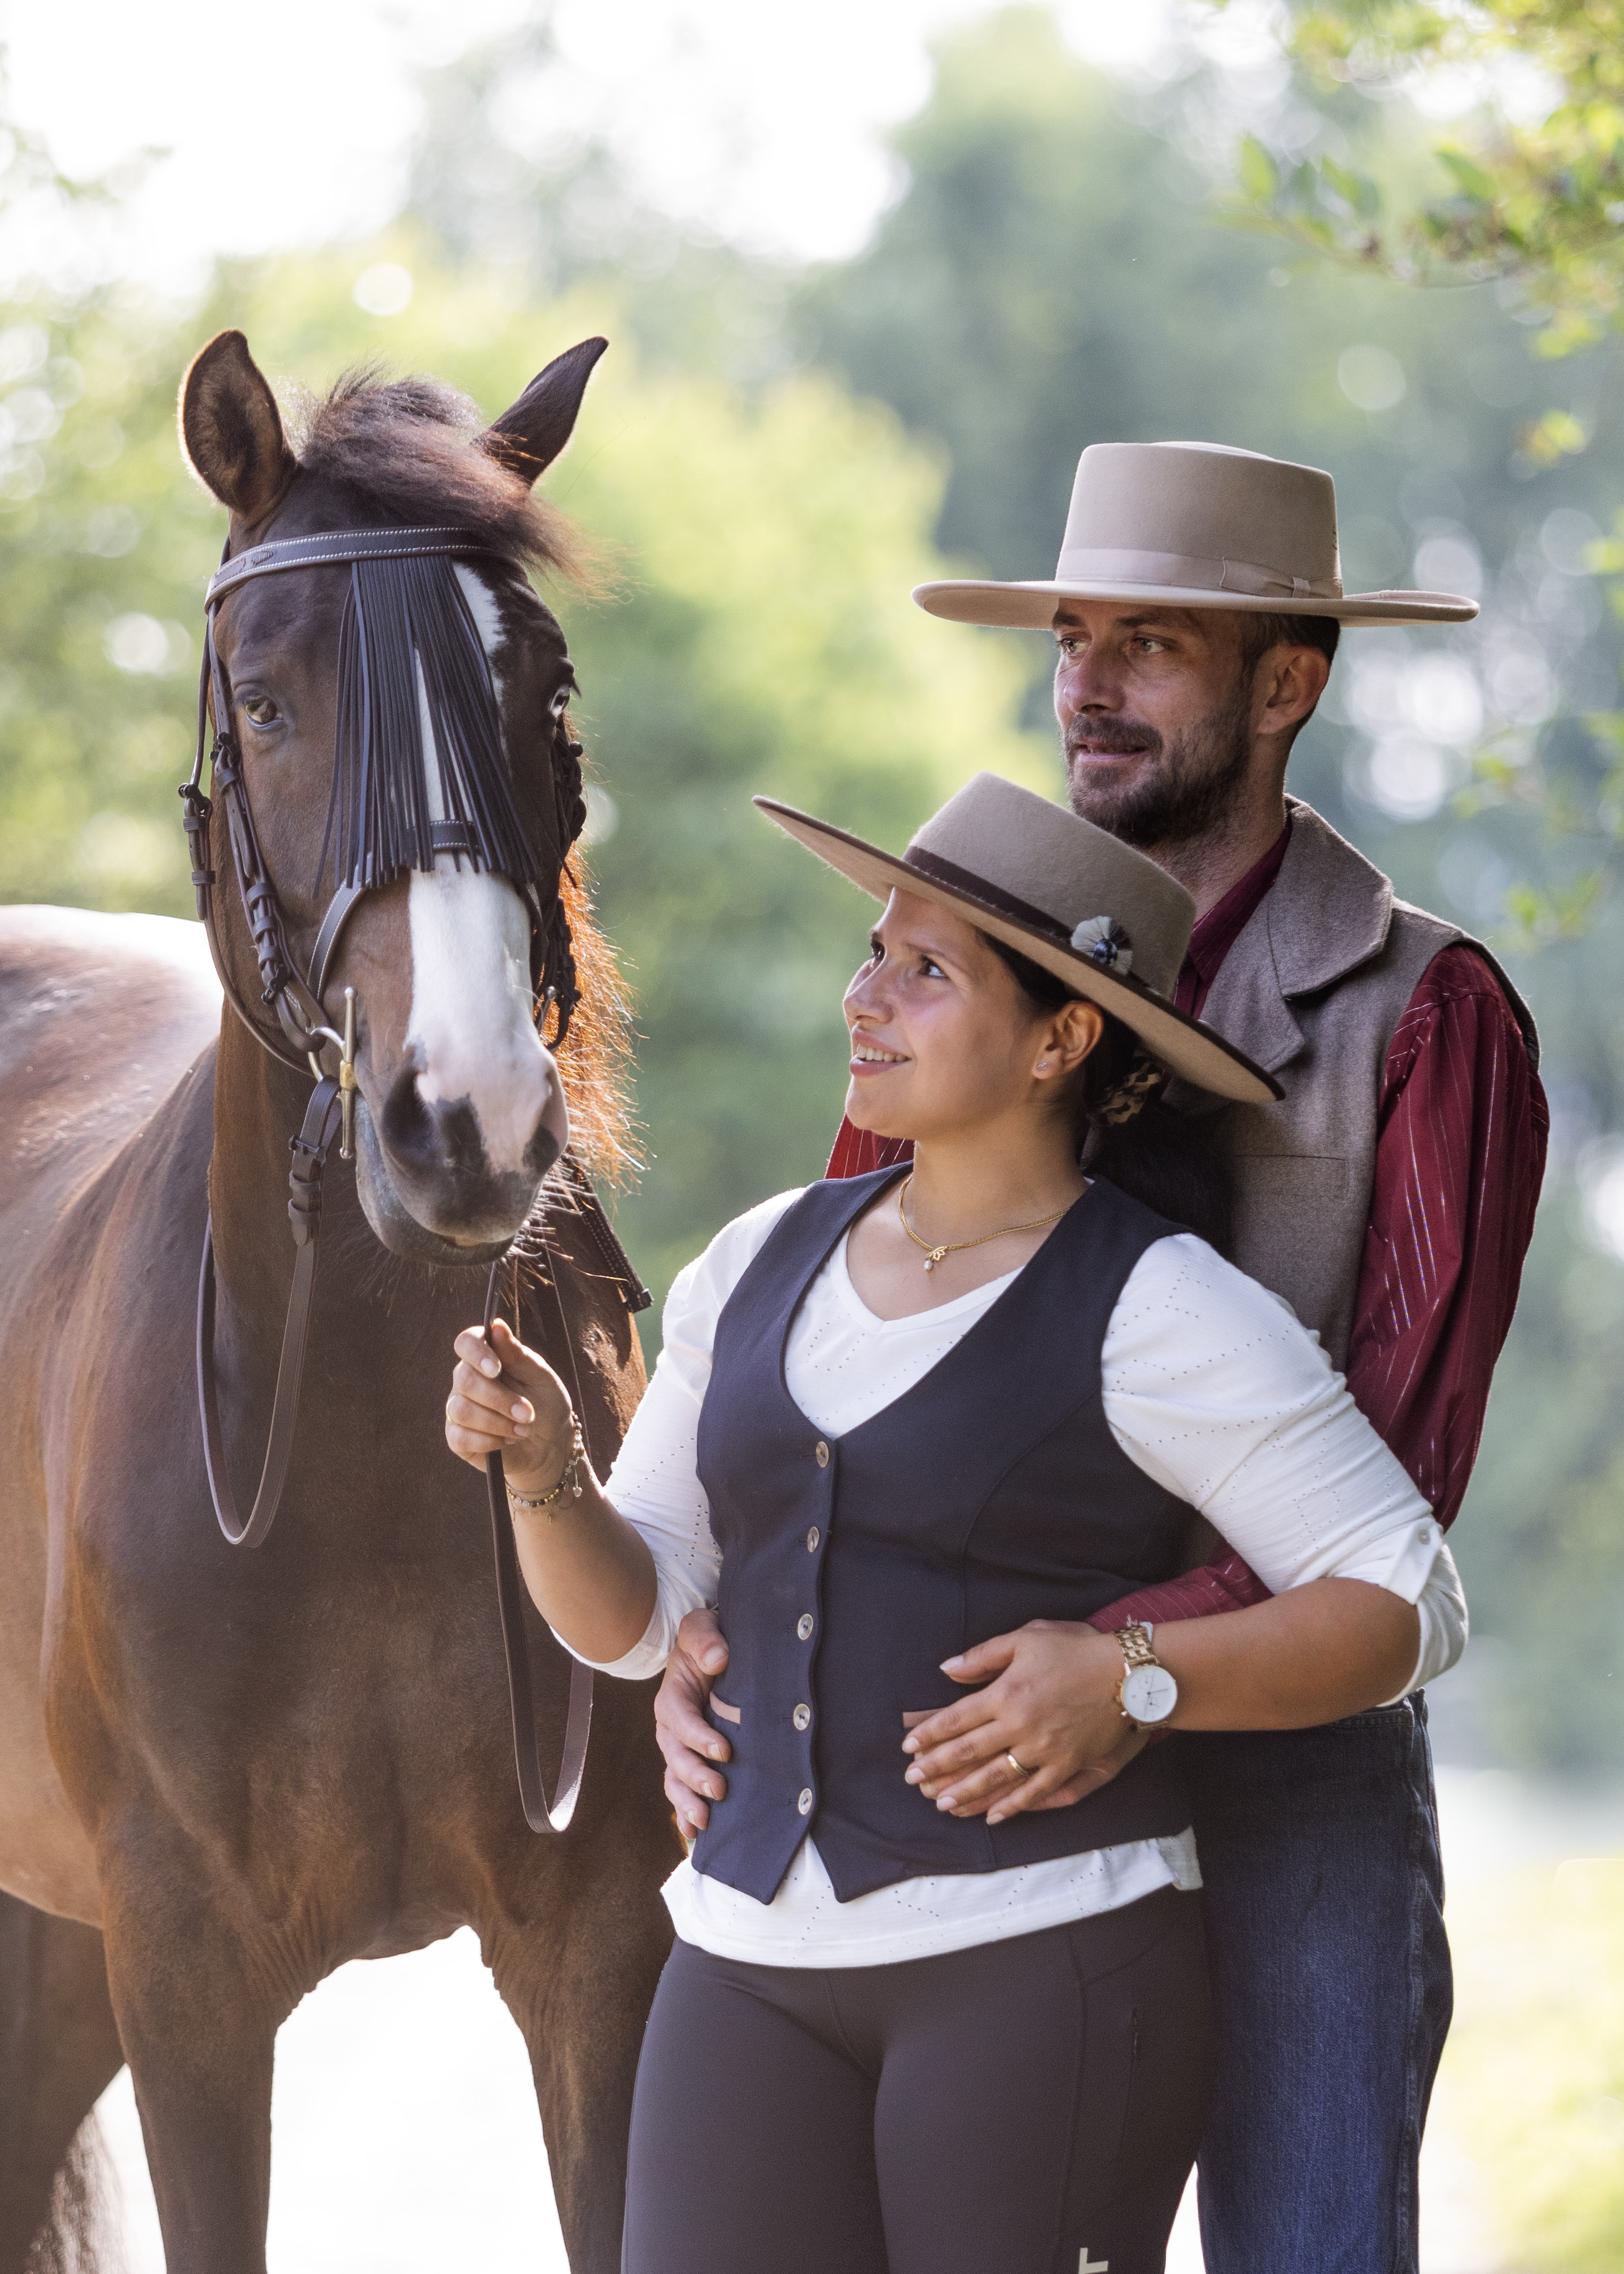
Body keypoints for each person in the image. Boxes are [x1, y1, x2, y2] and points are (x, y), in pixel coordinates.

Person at [656, 443, 1548, 2274]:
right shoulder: (951, 951)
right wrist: (714, 1632)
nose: (1085, 683)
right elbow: (822, 1347)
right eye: (1071, 638)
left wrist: (1111, 1668)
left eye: (1149, 644)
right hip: (943, 1785)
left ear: (1284, 685)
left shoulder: (1423, 1010)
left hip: (1282, 1771)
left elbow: (1392, 1478)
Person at [444, 771, 1470, 2274]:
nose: (868, 995)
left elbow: (1407, 1601)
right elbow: (641, 1621)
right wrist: (544, 1472)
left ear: (1061, 1037)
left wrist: (1134, 1673)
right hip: (747, 1967)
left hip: (1039, 1974)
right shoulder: (754, 1261)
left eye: (928, 972)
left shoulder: (1159, 1303)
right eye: (874, 953)